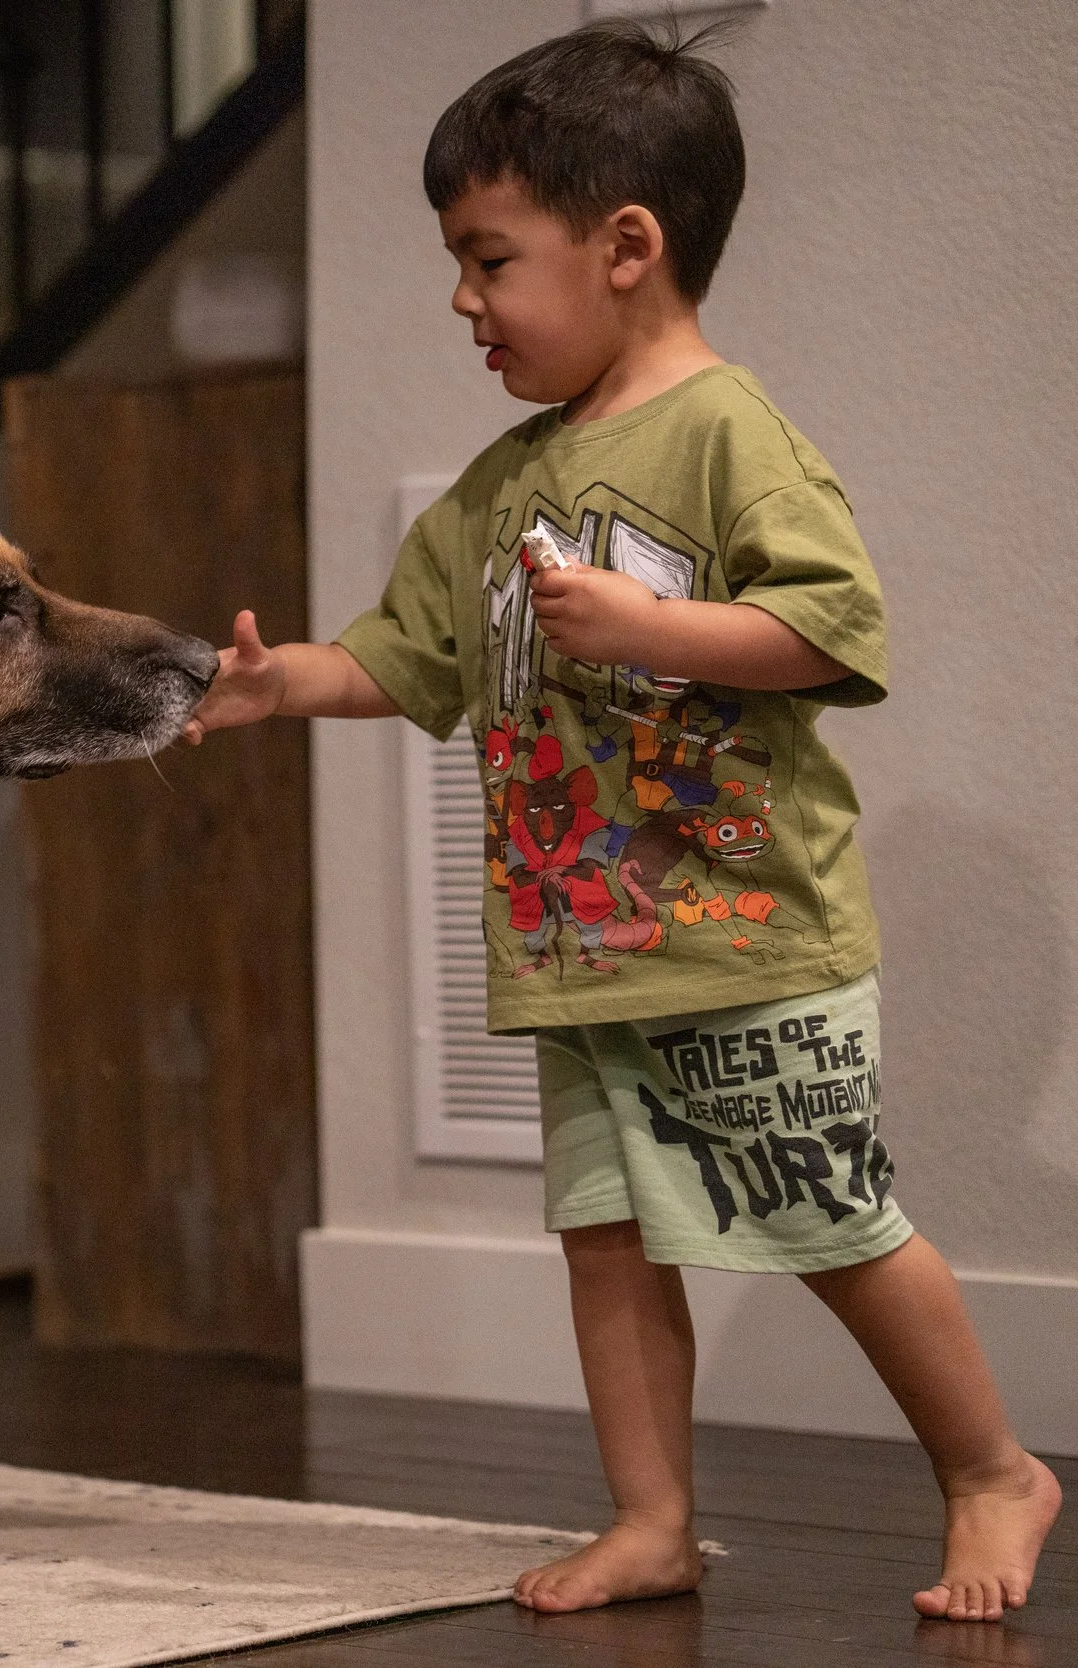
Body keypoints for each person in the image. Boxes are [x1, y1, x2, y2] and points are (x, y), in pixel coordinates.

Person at [187, 21, 1060, 1621]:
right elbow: (413, 654)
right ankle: (652, 1521)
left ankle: (993, 1471)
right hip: (581, 941)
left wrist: (654, 631)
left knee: (831, 1220)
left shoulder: (733, 434)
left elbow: (835, 628)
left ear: (628, 247)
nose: (464, 300)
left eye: (488, 258)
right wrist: (278, 683)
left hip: (741, 930)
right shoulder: (507, 475)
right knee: (606, 1241)